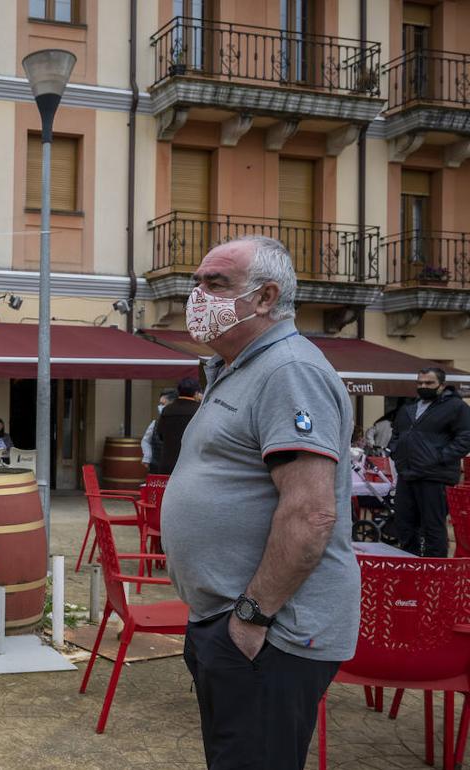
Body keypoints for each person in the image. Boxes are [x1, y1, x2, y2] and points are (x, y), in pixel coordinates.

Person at [161, 236, 359, 770]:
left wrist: (250, 618)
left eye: (216, 284)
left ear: (267, 297)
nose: (197, 296)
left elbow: (311, 513)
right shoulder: (238, 368)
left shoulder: (288, 371)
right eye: (197, 283)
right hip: (227, 618)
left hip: (269, 628)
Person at [387, 368, 470, 557]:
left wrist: (439, 458)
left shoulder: (456, 407)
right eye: (420, 383)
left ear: (441, 385)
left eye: (429, 383)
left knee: (433, 529)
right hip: (407, 474)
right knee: (404, 526)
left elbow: (465, 437)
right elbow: (397, 434)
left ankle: (436, 576)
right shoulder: (409, 408)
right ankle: (412, 571)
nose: (423, 386)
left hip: (435, 477)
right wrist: (395, 451)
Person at [152, 378, 201, 475]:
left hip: (167, 463)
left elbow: (160, 434)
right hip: (191, 465)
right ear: (195, 393)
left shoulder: (167, 410)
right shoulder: (199, 410)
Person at [141, 390, 177, 471]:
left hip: (175, 468)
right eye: (160, 404)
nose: (160, 407)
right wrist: (147, 457)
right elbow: (146, 440)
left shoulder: (181, 422)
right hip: (156, 466)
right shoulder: (155, 423)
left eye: (163, 404)